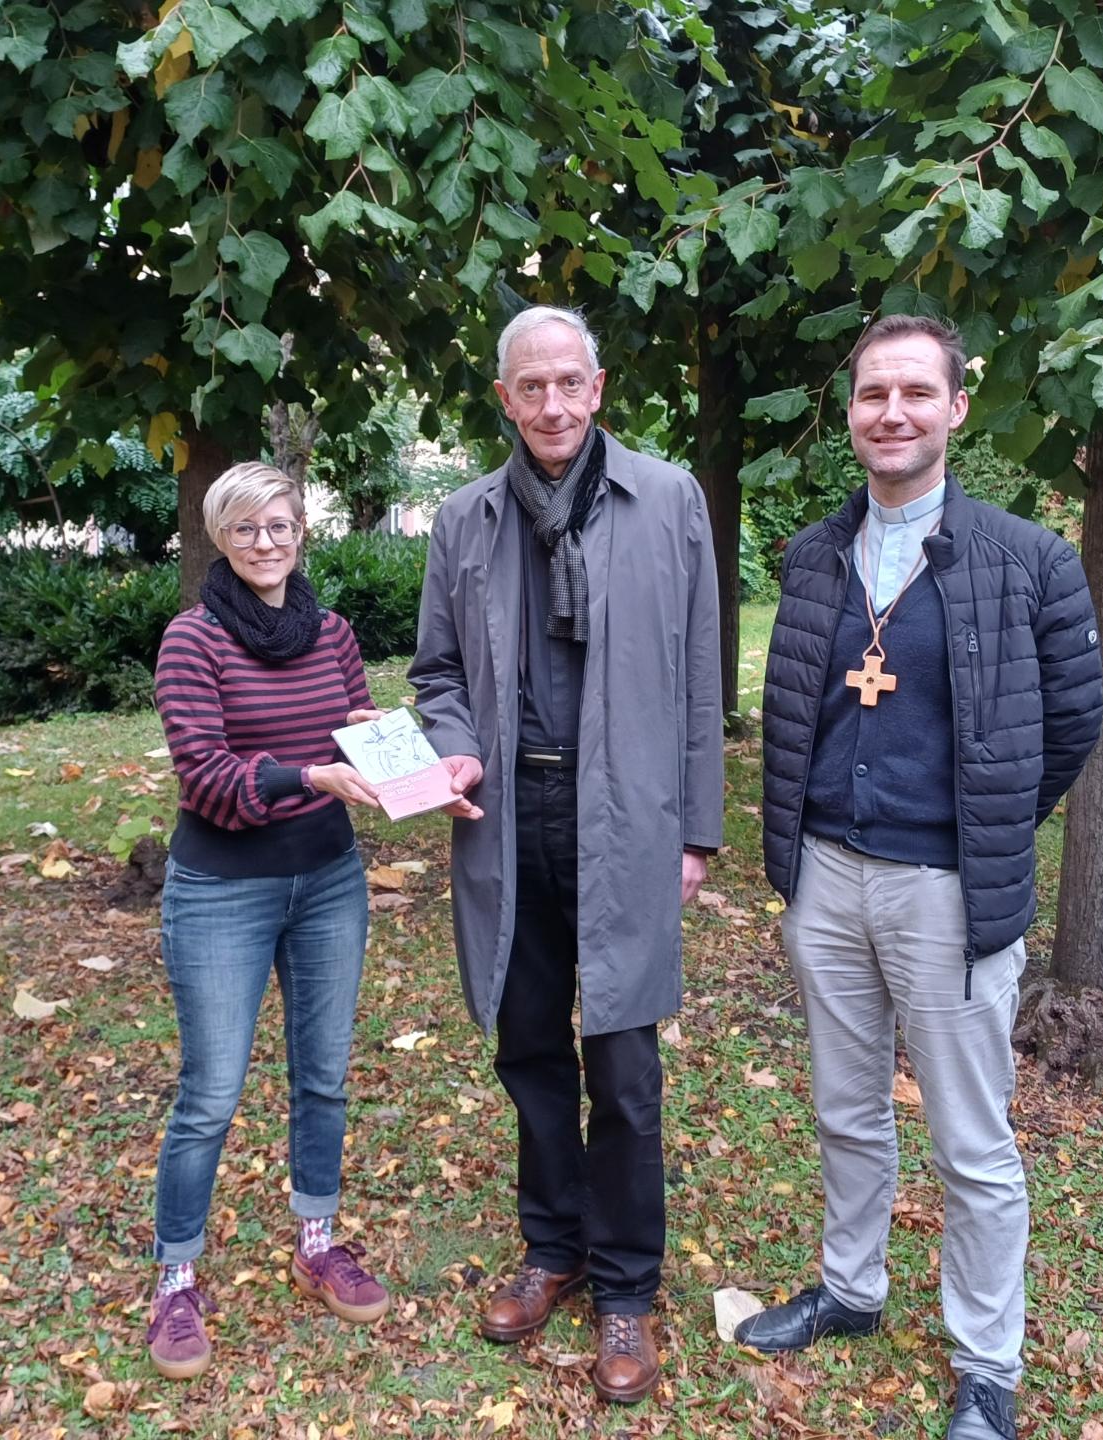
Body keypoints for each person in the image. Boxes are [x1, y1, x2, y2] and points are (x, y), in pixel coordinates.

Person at [741, 313, 1103, 1440]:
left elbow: (1072, 722)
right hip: (826, 879)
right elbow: (795, 704)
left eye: (913, 392)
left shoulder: (1028, 559)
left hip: (947, 888)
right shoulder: (814, 555)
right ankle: (850, 1289)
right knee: (846, 1108)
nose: (890, 413)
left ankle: (986, 1365)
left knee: (970, 1143)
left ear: (955, 408)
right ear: (850, 412)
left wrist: (988, 826)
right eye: (871, 394)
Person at [408, 304, 724, 1405]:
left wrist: (696, 828)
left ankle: (627, 1283)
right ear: (505, 398)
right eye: (529, 387)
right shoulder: (466, 519)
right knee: (530, 1046)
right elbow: (436, 674)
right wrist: (452, 747)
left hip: (626, 816)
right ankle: (555, 1248)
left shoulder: (668, 499)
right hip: (509, 817)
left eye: (568, 383)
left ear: (598, 389)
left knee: (624, 1066)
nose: (551, 404)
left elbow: (699, 673)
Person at [144, 462, 391, 1381]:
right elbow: (205, 774)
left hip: (328, 879)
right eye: (246, 528)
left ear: (300, 531)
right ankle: (176, 1279)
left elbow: (355, 730)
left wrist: (402, 760)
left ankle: (317, 1240)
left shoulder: (332, 632)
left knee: (323, 1076)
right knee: (211, 1094)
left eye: (280, 525)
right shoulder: (192, 639)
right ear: (219, 537)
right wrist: (309, 776)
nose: (265, 542)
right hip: (223, 890)